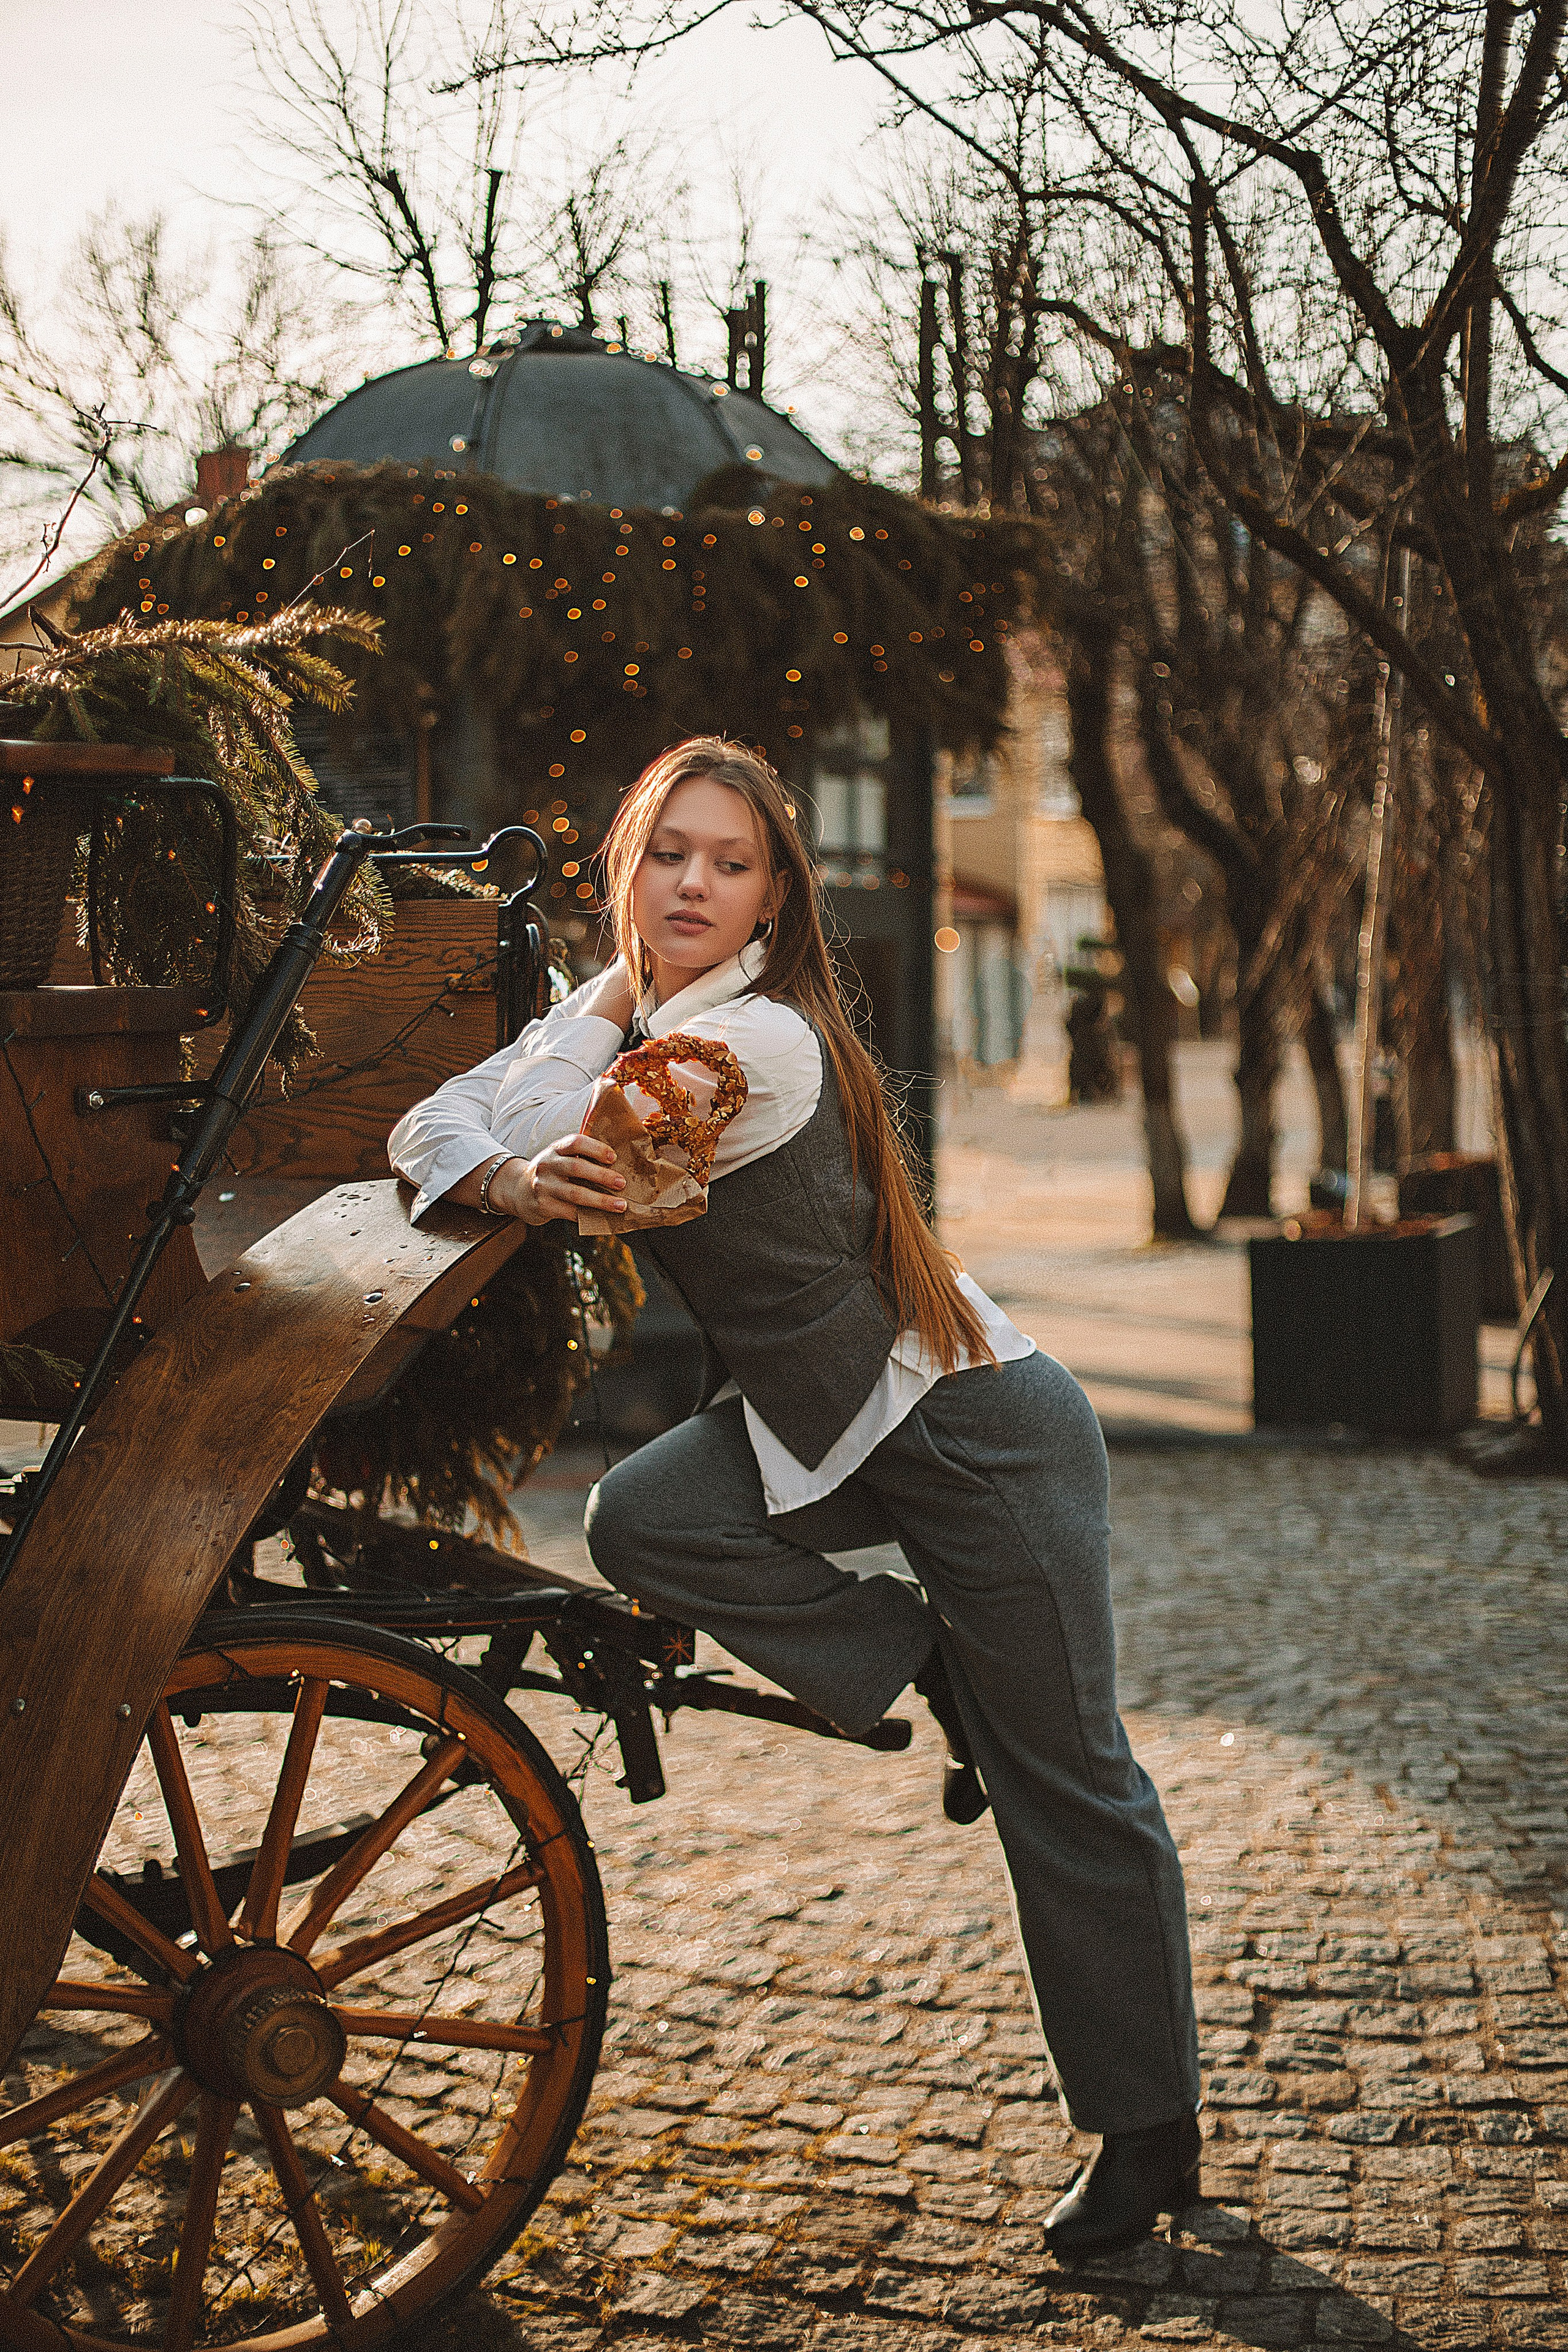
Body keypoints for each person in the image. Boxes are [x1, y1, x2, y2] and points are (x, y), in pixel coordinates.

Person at [388, 737, 1202, 2253]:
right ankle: (919, 1663)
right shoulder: (636, 1007)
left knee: (1067, 1782)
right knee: (644, 1521)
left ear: (771, 899)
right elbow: (441, 1127)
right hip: (819, 1417)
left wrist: (519, 1146)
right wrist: (509, 1154)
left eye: (729, 861)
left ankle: (1146, 2132)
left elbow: (555, 1141)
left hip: (975, 1436)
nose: (691, 882)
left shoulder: (736, 1050)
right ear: (626, 863)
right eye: (666, 853)